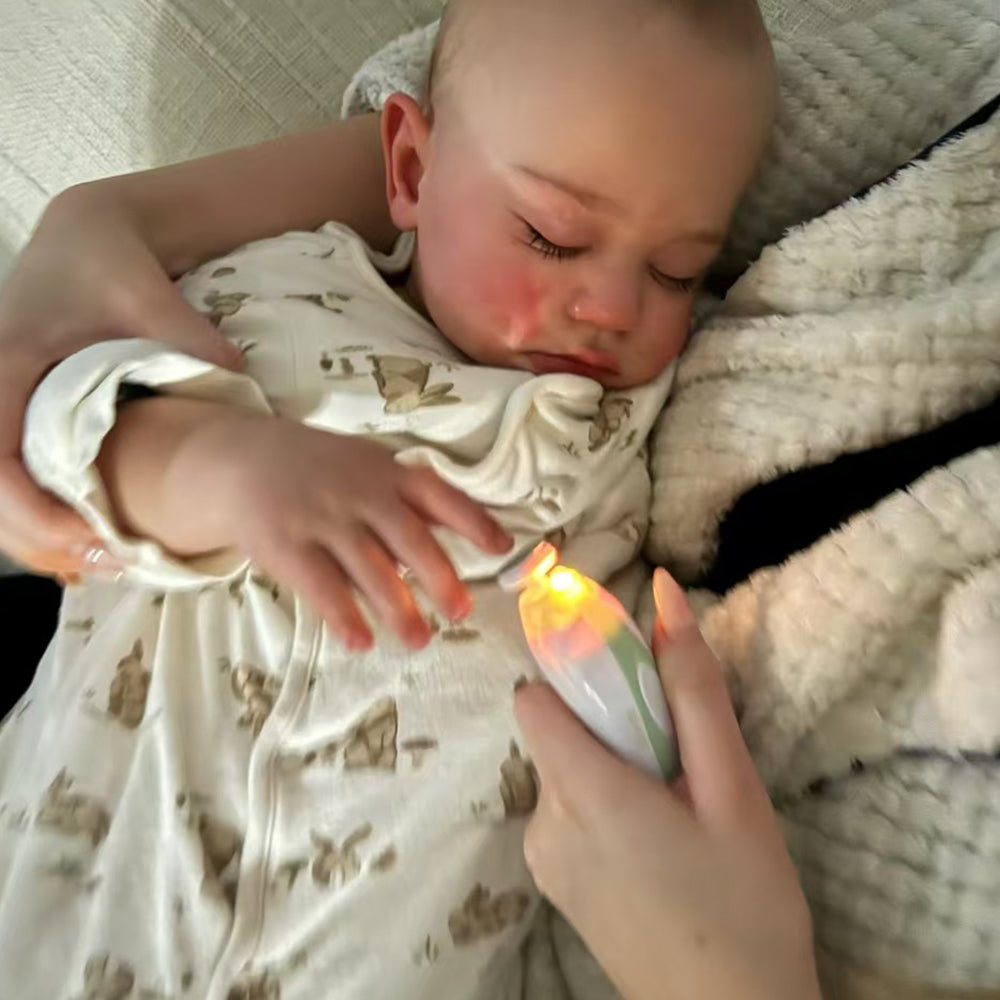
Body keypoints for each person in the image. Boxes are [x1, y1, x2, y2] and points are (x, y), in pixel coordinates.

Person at [0, 0, 820, 997]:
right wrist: (222, 465)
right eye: (551, 236)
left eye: (673, 269)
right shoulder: (283, 287)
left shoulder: (633, 418)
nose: (612, 307)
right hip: (85, 897)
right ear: (411, 170)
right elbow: (66, 430)